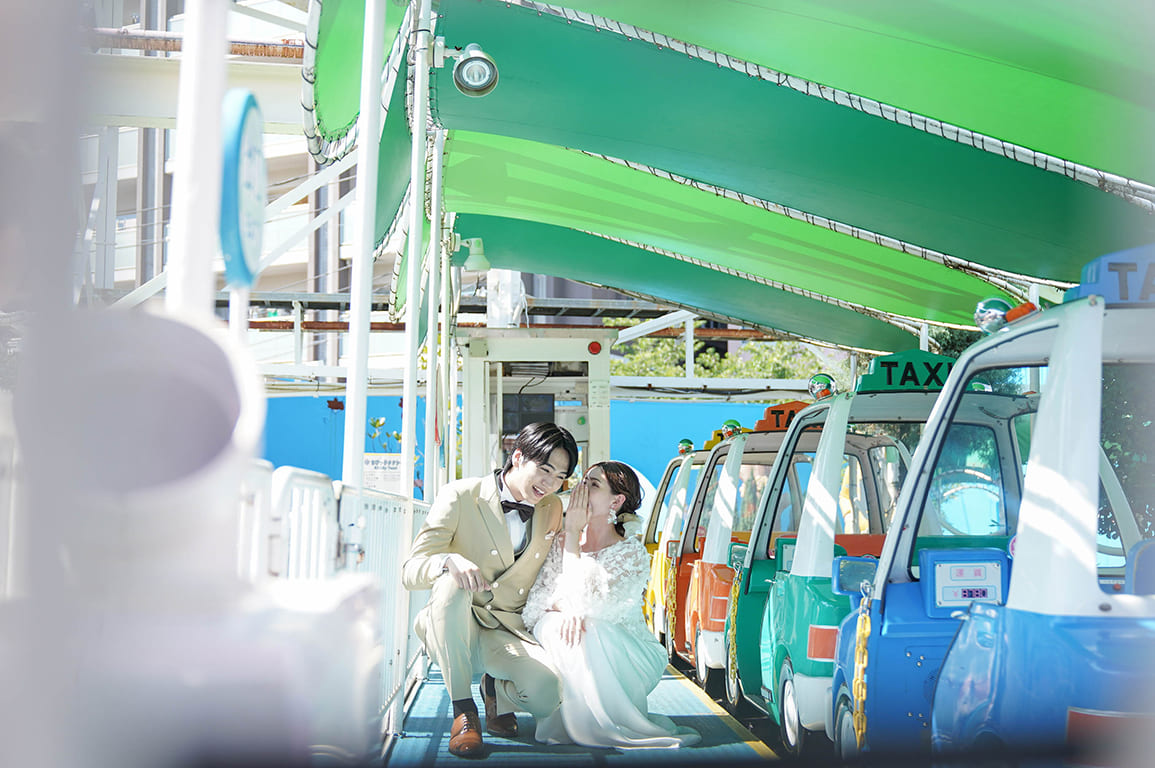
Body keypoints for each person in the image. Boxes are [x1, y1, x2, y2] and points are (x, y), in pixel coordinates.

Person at [401, 422, 579, 759]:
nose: (550, 483)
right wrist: (448, 560)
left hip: (506, 628)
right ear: (517, 457)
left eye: (560, 476)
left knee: (547, 694)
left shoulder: (552, 507)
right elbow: (410, 571)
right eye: (544, 470)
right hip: (455, 621)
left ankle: (495, 691)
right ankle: (463, 710)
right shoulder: (460, 495)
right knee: (451, 581)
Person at [523, 461, 702, 750]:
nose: (582, 489)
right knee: (556, 624)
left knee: (589, 628)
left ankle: (599, 723)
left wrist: (573, 535)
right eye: (583, 481)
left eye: (593, 485)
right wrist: (565, 604)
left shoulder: (630, 552)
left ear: (616, 502)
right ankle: (573, 720)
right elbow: (538, 600)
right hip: (576, 634)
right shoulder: (559, 542)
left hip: (623, 650)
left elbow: (593, 607)